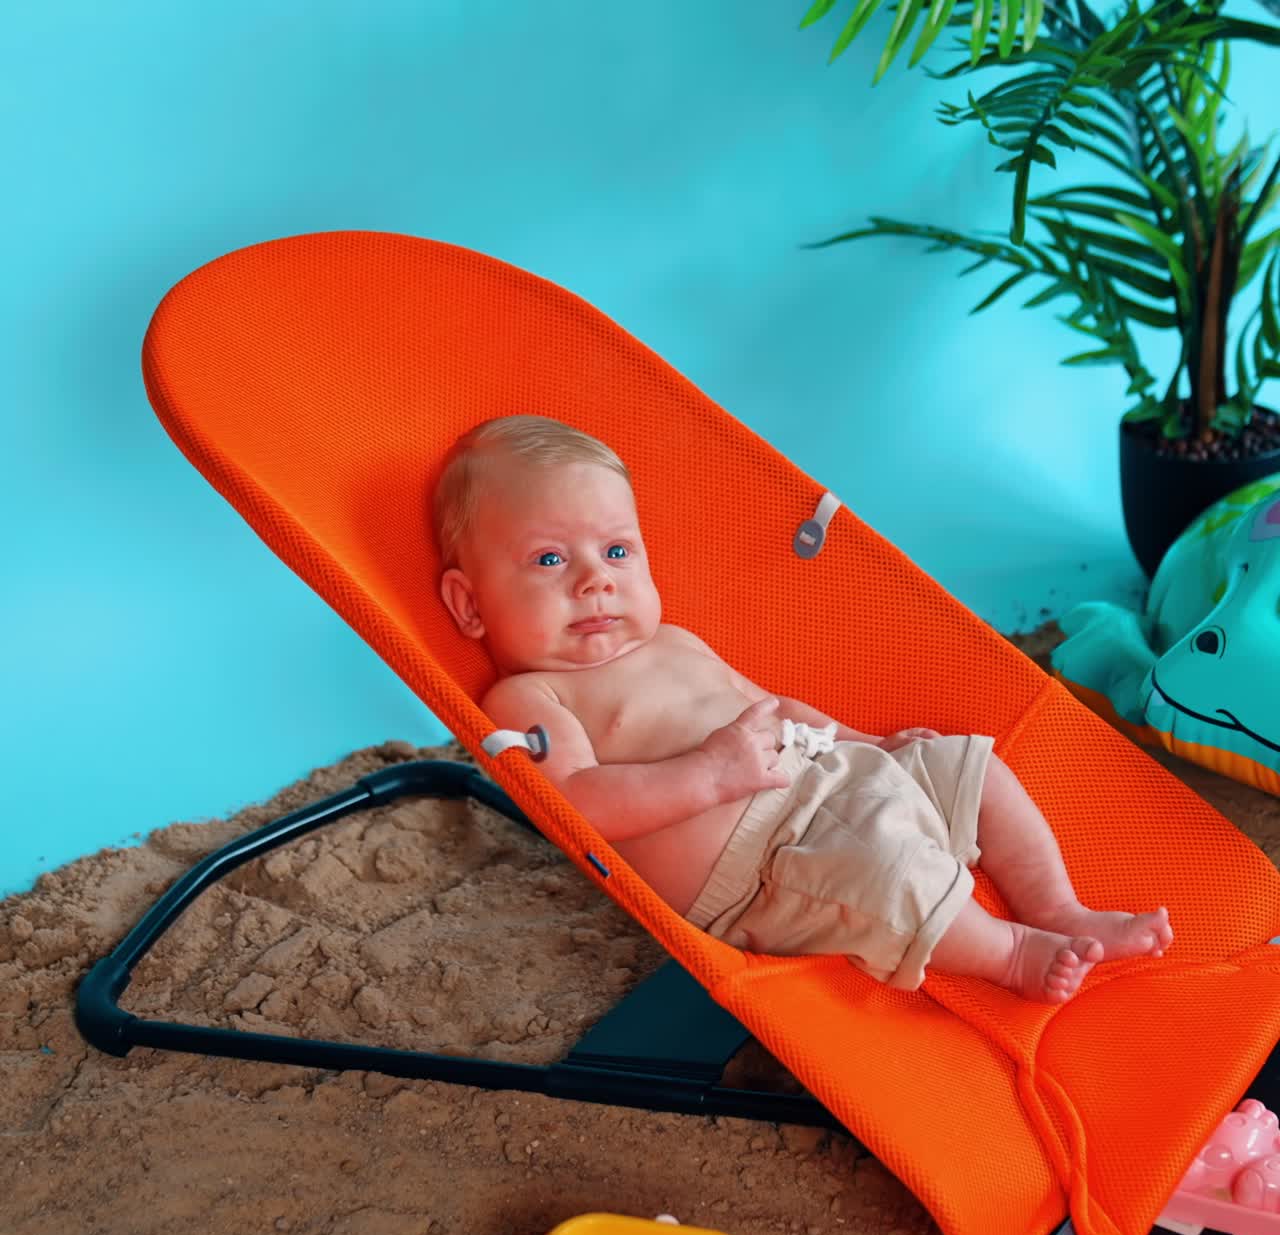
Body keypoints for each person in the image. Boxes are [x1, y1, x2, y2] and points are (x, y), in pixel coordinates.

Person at [434, 414, 1173, 1002]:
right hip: (765, 867)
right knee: (884, 878)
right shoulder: (531, 696)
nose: (596, 582)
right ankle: (1009, 953)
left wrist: (871, 745)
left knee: (969, 763)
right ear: (470, 606)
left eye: (618, 552)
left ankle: (1057, 907)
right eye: (550, 560)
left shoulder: (675, 639)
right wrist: (708, 775)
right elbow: (571, 805)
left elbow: (775, 708)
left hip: (828, 775)